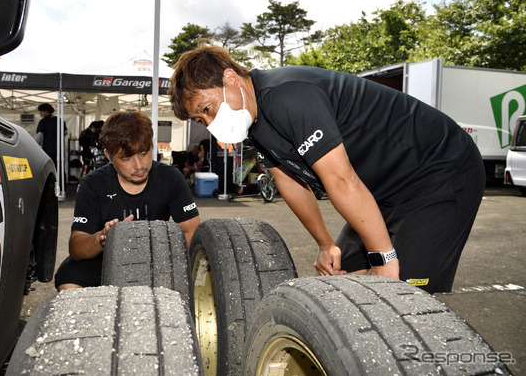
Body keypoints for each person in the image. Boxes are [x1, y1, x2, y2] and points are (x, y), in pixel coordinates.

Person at [168, 46, 485, 294]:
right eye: (200, 120)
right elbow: (291, 184)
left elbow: (341, 179)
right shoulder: (257, 124)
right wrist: (324, 243)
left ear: (230, 79)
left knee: (404, 291)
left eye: (207, 110)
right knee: (340, 282)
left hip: (440, 171)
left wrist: (383, 260)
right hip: (384, 192)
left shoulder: (287, 95)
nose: (210, 125)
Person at [54, 110, 200, 290]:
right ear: (109, 156)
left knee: (194, 278)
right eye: (126, 158)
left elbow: (191, 234)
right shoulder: (92, 184)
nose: (139, 166)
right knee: (68, 276)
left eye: (144, 153)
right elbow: (76, 247)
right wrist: (101, 239)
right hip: (106, 260)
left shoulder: (171, 178)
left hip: (157, 260)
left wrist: (150, 246)